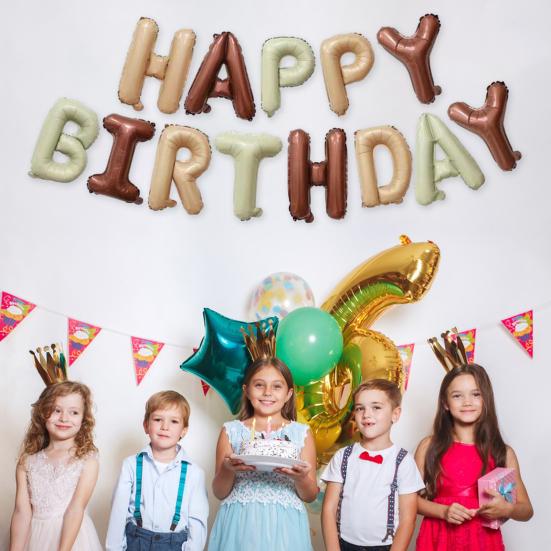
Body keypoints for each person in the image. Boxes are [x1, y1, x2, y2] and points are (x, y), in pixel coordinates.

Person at [415, 363, 533, 550]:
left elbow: (526, 510)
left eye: (476, 394)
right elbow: (408, 500)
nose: (467, 402)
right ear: (445, 403)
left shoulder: (502, 453)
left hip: (483, 541)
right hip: (438, 539)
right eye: (457, 396)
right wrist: (443, 511)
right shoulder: (429, 446)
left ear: (486, 399)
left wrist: (508, 508)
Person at [208, 357, 318, 551]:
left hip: (285, 526)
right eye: (259, 385)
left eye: (277, 386)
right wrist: (228, 469)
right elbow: (219, 492)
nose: (267, 392)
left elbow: (310, 496)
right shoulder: (231, 431)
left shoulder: (302, 434)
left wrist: (301, 478)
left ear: (288, 394)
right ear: (246, 390)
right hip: (240, 523)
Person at [321, 379, 424, 551]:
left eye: (376, 407)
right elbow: (328, 510)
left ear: (395, 414)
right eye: (360, 408)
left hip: (384, 547)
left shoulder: (403, 461)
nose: (366, 414)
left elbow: (407, 519)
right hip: (344, 545)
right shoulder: (343, 457)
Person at [106, 390, 208, 550]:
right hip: (136, 543)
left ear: (184, 430)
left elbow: (197, 523)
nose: (165, 427)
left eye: (174, 421)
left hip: (174, 545)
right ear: (146, 425)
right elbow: (118, 514)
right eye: (158, 419)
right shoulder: (131, 465)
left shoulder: (194, 473)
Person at [9, 381, 102, 551]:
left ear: (84, 418)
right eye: (57, 410)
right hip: (34, 539)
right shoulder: (27, 462)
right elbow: (21, 512)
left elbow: (76, 509)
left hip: (71, 539)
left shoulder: (87, 461)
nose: (64, 418)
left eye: (74, 412)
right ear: (43, 412)